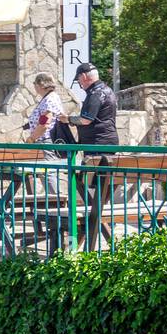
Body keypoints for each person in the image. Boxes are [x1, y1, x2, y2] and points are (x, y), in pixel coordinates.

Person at [58, 62, 119, 249]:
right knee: (101, 191)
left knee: (83, 184)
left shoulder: (95, 93)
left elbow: (86, 120)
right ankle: (97, 216)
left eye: (79, 80)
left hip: (97, 148)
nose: (80, 83)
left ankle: (92, 223)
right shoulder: (108, 90)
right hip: (108, 146)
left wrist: (67, 119)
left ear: (84, 76)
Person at [24, 72, 65, 194]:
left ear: (41, 85)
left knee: (48, 172)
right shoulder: (50, 98)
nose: (34, 87)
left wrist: (31, 138)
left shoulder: (49, 99)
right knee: (46, 172)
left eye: (35, 83)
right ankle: (54, 201)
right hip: (44, 141)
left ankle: (56, 202)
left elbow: (44, 123)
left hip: (45, 141)